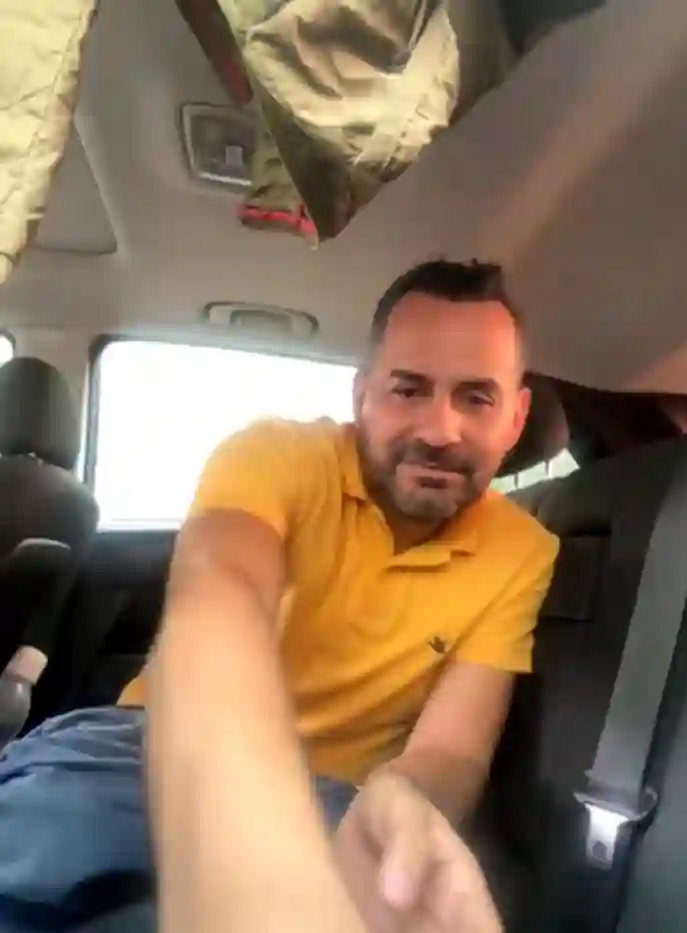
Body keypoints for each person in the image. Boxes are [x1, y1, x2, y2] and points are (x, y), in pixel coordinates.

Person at [0, 259, 559, 933]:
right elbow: (219, 600)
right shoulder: (274, 455)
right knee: (35, 852)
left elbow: (455, 750)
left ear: (516, 417)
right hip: (141, 747)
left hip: (340, 802)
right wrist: (250, 840)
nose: (440, 429)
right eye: (408, 389)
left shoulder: (524, 550)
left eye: (476, 398)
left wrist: (402, 804)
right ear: (363, 396)